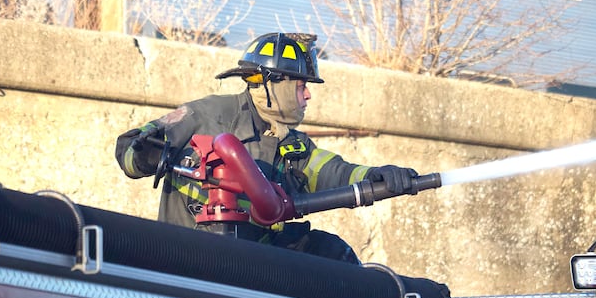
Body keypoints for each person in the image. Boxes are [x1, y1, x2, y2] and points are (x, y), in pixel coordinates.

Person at [115, 32, 419, 264]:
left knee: (331, 254)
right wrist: (145, 156)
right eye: (301, 86)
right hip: (190, 260)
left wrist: (377, 176)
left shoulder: (293, 143)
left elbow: (333, 172)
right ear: (275, 85)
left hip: (259, 265)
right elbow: (128, 147)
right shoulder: (205, 115)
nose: (308, 95)